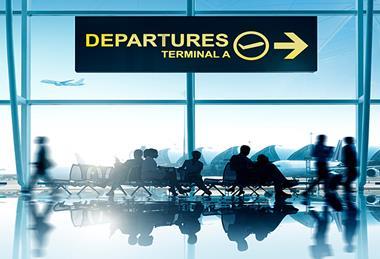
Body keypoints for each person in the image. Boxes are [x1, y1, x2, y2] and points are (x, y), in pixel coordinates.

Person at [230, 145, 298, 199]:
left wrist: (258, 163)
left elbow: (238, 168)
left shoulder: (236, 158)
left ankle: (280, 189)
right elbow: (246, 169)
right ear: (246, 151)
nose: (248, 152)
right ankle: (283, 186)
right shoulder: (243, 159)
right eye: (248, 151)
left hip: (249, 176)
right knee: (272, 167)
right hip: (251, 178)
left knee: (272, 171)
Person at [342, 137, 358, 205]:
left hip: (352, 165)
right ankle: (347, 189)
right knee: (352, 176)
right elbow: (345, 157)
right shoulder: (346, 147)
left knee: (352, 176)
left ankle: (347, 188)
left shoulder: (352, 147)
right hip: (350, 165)